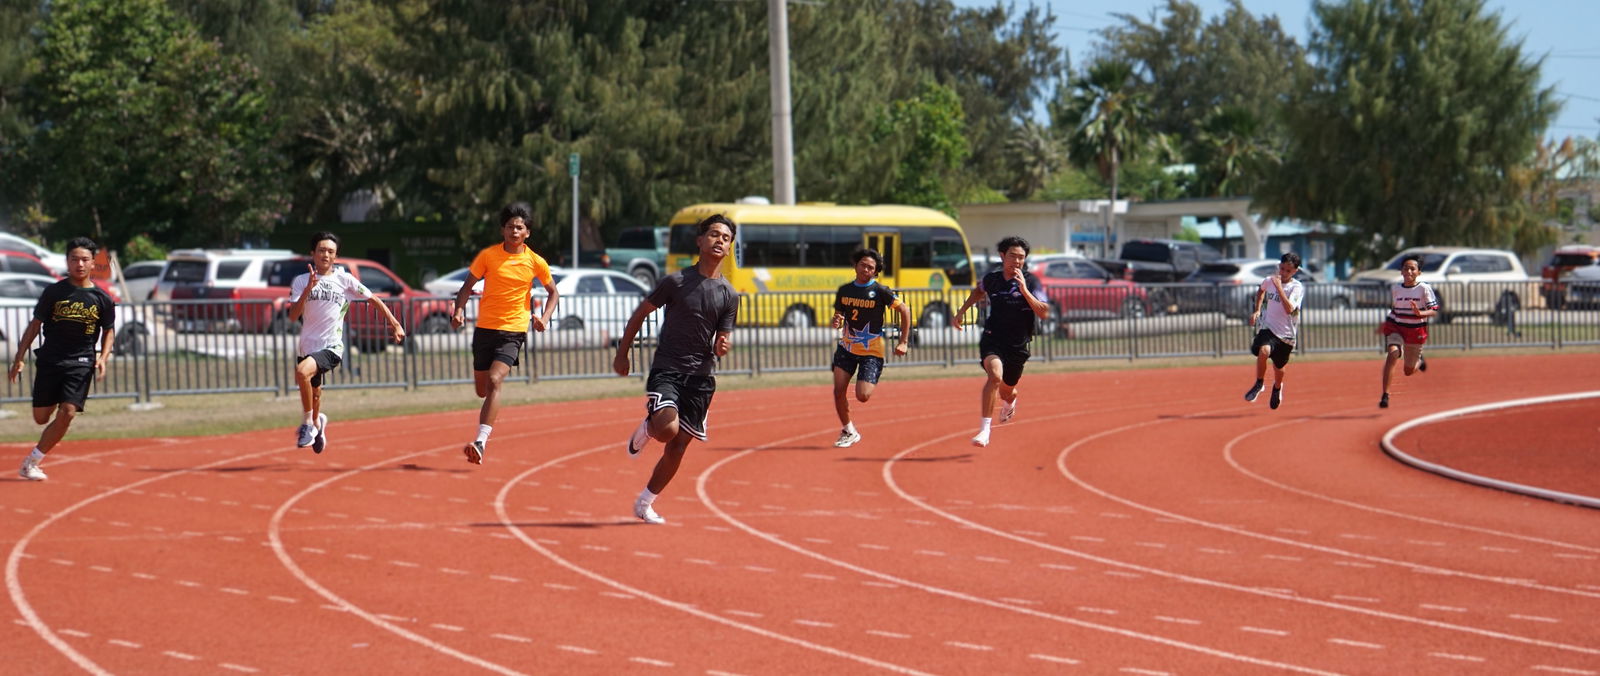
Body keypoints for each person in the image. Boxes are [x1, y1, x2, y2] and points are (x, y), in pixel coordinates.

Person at [612, 214, 739, 524]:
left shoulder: (729, 295)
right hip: (668, 368)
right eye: (713, 234)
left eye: (725, 237)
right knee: (667, 431)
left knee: (679, 445)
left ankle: (645, 503)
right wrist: (623, 353)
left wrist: (723, 346)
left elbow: (722, 338)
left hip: (702, 377)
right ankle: (650, 426)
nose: (719, 240)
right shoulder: (676, 281)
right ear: (700, 241)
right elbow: (640, 314)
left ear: (730, 245)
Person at [449, 202, 559, 464]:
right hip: (485, 328)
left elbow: (554, 292)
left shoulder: (535, 261)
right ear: (503, 230)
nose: (514, 230)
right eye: (510, 226)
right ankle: (485, 416)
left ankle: (480, 441)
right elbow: (466, 287)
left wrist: (544, 318)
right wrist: (459, 310)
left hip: (513, 330)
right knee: (482, 389)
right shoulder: (488, 256)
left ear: (527, 232)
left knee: (496, 380)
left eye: (519, 227)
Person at [286, 232, 406, 453]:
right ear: (312, 253)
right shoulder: (301, 281)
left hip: (331, 347)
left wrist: (395, 323)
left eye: (330, 252)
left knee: (302, 372)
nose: (325, 255)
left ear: (336, 256)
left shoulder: (344, 279)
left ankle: (308, 425)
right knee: (315, 394)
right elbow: (293, 316)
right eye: (321, 250)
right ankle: (318, 423)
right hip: (307, 346)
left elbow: (374, 299)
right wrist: (307, 290)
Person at [8, 237, 116, 481]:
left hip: (81, 362)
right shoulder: (54, 292)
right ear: (67, 261)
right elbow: (35, 325)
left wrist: (103, 357)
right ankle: (55, 401)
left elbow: (109, 330)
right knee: (41, 418)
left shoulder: (102, 298)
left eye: (85, 259)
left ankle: (32, 461)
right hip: (50, 361)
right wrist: (19, 357)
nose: (79, 264)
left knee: (67, 411)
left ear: (92, 264)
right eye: (74, 259)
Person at [951, 236, 1049, 447]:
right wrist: (961, 312)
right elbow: (978, 291)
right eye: (1012, 256)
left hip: (1018, 344)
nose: (1017, 261)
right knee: (994, 376)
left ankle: (1010, 400)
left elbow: (1044, 312)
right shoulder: (992, 279)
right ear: (1002, 256)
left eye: (1021, 257)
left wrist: (1024, 290)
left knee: (1007, 389)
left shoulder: (1032, 281)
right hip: (993, 338)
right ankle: (985, 431)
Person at [828, 248, 910, 447]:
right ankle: (849, 430)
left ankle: (850, 428)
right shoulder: (845, 290)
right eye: (863, 265)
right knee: (838, 391)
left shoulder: (881, 291)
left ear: (875, 272)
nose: (866, 269)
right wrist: (836, 321)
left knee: (862, 396)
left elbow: (904, 310)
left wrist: (904, 341)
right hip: (847, 347)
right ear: (855, 265)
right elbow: (838, 318)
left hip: (871, 351)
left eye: (871, 267)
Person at [1242, 252, 1306, 411]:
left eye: (1288, 271)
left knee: (1279, 367)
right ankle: (1259, 383)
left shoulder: (1296, 287)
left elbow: (1289, 309)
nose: (1283, 273)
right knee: (1263, 351)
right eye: (1282, 268)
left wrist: (1279, 287)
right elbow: (1260, 291)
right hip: (1268, 328)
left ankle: (1277, 387)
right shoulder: (1269, 281)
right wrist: (1257, 310)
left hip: (1286, 335)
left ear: (1295, 271)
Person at [1378, 254, 1438, 408]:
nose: (1409, 272)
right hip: (1396, 327)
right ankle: (1385, 395)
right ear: (1401, 271)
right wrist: (1385, 324)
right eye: (1406, 268)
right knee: (1392, 354)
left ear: (1419, 272)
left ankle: (1420, 362)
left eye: (1413, 269)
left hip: (1415, 330)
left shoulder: (1424, 288)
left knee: (1408, 371)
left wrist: (1420, 313)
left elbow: (1434, 311)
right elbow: (1395, 309)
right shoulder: (1396, 288)